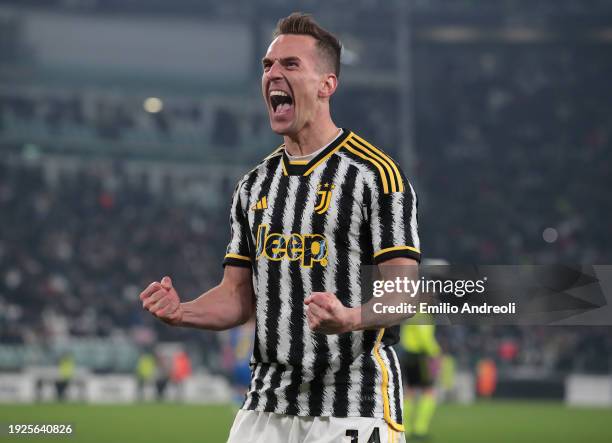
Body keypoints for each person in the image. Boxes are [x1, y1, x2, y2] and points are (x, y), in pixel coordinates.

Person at [140, 12, 420, 443]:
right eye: (268, 66)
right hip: (266, 406)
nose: (273, 74)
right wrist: (184, 313)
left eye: (291, 65)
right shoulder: (253, 186)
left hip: (353, 403)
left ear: (327, 85)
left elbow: (403, 292)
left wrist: (350, 318)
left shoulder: (375, 177)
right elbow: (236, 295)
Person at [399, 315, 441, 440]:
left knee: (409, 392)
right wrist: (435, 352)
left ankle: (405, 428)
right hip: (420, 355)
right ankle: (420, 429)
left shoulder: (410, 313)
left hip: (407, 354)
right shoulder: (423, 315)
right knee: (429, 391)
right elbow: (424, 337)